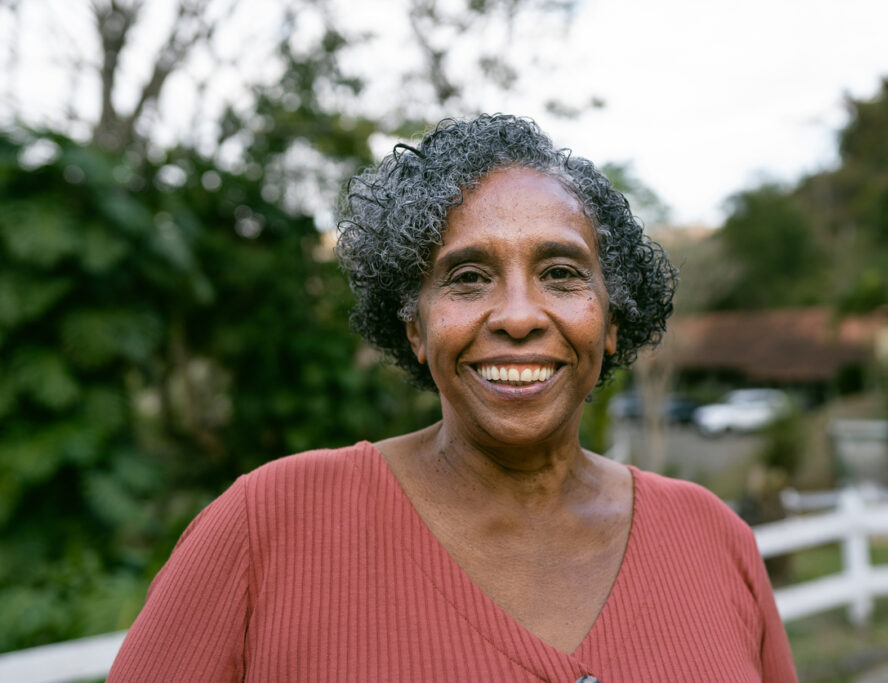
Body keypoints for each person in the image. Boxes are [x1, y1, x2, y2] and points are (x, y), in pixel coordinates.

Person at [109, 114, 797, 682]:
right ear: (414, 326)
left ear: (611, 321)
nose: (519, 315)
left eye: (560, 273)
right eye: (469, 277)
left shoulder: (714, 542)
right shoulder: (266, 529)